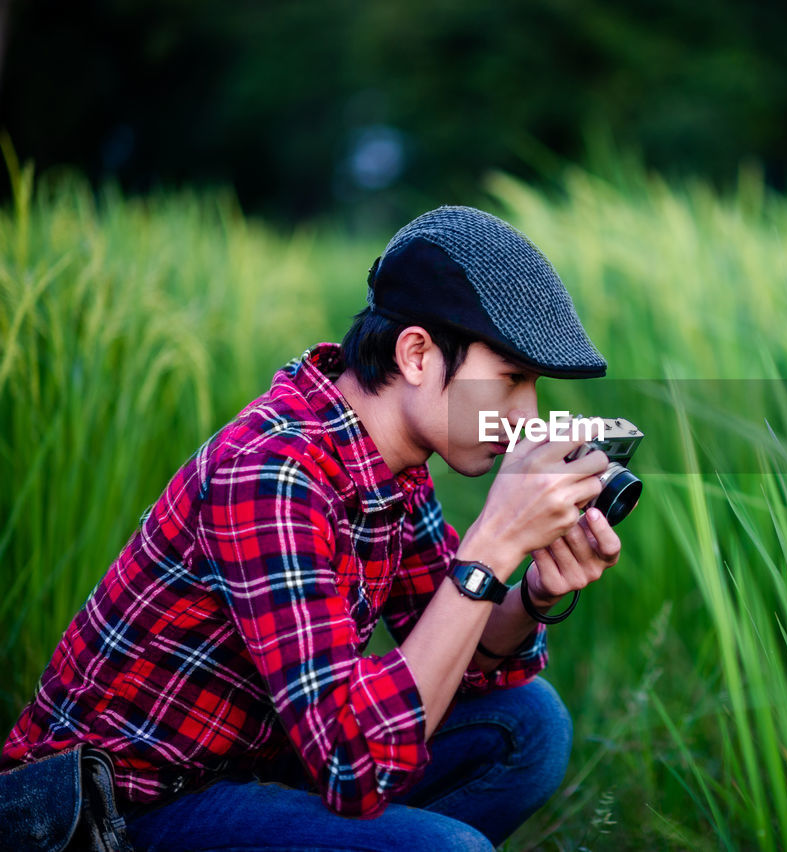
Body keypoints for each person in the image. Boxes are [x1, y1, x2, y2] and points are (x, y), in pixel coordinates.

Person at [1, 206, 622, 850]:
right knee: (447, 849)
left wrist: (534, 596)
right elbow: (356, 766)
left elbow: (458, 666)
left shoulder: (394, 466)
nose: (526, 416)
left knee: (529, 724)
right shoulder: (272, 472)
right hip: (121, 810)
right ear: (415, 354)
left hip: (261, 763)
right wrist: (490, 547)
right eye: (512, 380)